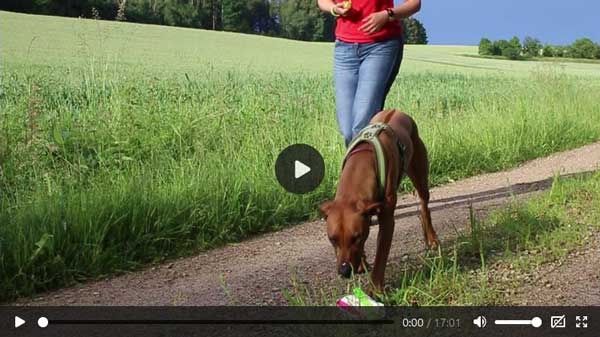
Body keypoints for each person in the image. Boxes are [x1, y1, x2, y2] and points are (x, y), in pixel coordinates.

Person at [317, 0, 422, 146]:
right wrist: (334, 9)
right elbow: (323, 1)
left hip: (381, 46)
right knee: (347, 130)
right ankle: (375, 163)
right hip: (344, 49)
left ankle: (367, 168)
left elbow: (414, 3)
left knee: (362, 125)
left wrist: (387, 15)